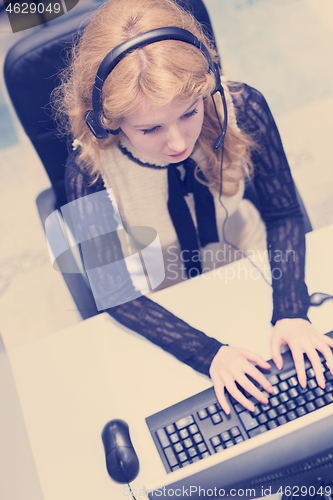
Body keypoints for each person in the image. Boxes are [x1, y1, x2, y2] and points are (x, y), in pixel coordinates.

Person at [55, 0, 333, 415]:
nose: (179, 143)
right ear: (107, 122)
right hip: (164, 295)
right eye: (150, 128)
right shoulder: (88, 171)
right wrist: (208, 354)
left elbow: (284, 214)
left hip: (252, 264)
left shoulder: (244, 108)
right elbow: (115, 294)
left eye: (189, 113)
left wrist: (291, 311)